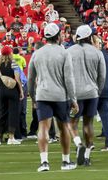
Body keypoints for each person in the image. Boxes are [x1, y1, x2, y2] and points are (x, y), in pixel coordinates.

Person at [28, 22, 78, 172]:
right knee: (63, 128)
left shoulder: (37, 53)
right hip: (60, 95)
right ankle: (65, 161)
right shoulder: (64, 53)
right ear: (58, 36)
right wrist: (73, 99)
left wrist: (33, 97)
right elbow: (69, 79)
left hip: (42, 94)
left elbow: (31, 79)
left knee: (43, 127)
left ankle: (44, 162)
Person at [67, 25, 106, 165]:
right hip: (92, 92)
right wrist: (98, 90)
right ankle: (87, 157)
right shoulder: (97, 53)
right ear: (90, 37)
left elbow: (66, 75)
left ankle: (78, 144)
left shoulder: (69, 51)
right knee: (88, 124)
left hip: (75, 93)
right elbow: (102, 76)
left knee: (71, 122)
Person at [0, 45, 24, 146]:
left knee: (2, 113)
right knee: (13, 114)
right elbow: (17, 79)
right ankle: (11, 137)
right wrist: (21, 91)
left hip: (1, 90)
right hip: (12, 91)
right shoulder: (14, 63)